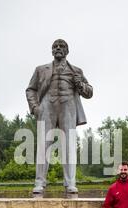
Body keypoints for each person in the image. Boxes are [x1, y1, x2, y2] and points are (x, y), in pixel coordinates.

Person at [26, 39, 93, 195]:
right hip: (46, 106)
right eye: (55, 47)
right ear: (51, 51)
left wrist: (80, 85)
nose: (58, 48)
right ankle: (40, 183)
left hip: (68, 106)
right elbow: (30, 89)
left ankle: (70, 183)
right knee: (43, 145)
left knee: (69, 145)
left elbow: (89, 92)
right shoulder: (41, 69)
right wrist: (35, 108)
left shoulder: (76, 70)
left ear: (67, 51)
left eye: (61, 46)